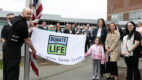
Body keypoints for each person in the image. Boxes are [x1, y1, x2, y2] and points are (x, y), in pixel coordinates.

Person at [2, 8, 36, 80]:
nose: (29, 16)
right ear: (22, 13)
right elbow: (27, 40)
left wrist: (30, 28)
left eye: (30, 14)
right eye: (27, 13)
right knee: (13, 70)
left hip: (7, 46)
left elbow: (20, 31)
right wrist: (33, 49)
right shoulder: (21, 24)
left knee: (7, 68)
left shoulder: (15, 19)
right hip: (13, 49)